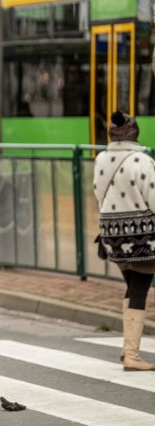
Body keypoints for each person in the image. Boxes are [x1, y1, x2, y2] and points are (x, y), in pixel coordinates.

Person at [93, 110, 155, 372]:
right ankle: (132, 355)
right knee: (140, 286)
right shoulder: (142, 160)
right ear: (134, 132)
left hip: (110, 233)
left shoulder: (101, 158)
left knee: (132, 284)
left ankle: (127, 347)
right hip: (141, 234)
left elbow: (97, 191)